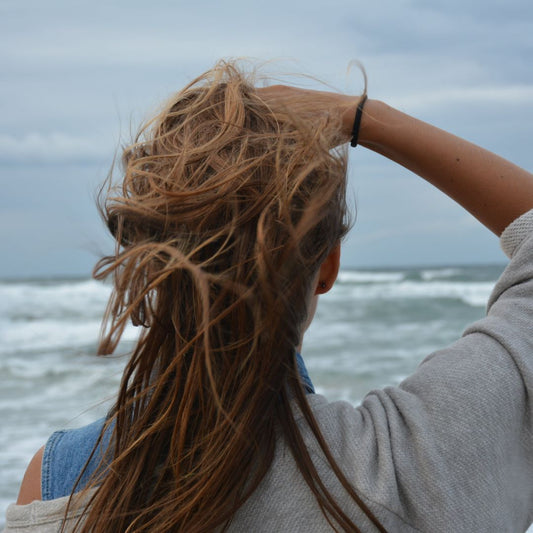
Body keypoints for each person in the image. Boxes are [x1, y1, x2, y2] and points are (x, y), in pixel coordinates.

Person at [5, 60, 533, 532]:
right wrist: (363, 119)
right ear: (327, 266)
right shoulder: (415, 462)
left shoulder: (61, 488)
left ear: (151, 265)